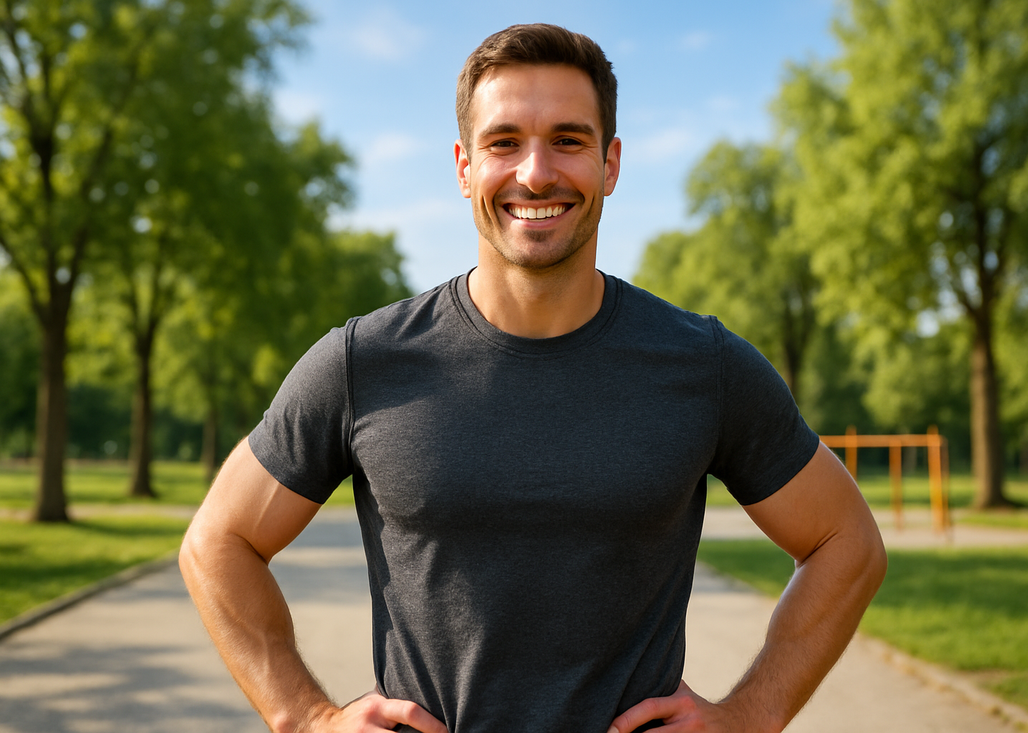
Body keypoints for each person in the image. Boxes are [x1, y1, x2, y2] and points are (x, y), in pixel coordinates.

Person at [180, 23, 887, 733]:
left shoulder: (703, 364)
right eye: (504, 142)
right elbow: (217, 543)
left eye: (568, 140)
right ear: (464, 167)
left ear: (610, 164)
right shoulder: (364, 361)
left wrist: (750, 715)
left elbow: (847, 542)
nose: (537, 173)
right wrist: (307, 718)